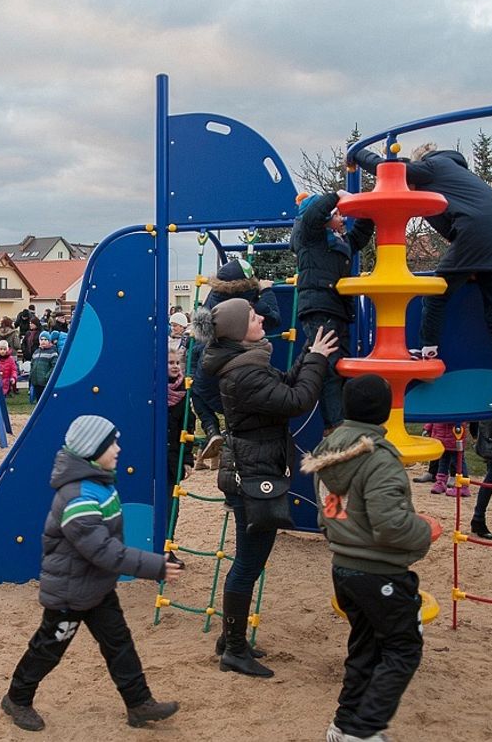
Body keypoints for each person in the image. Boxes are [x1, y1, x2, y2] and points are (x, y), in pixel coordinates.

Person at [0, 415, 182, 732]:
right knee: (49, 648)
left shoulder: (98, 483)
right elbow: (104, 551)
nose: (118, 448)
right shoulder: (78, 498)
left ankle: (139, 704)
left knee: (119, 644)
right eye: (111, 443)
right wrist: (156, 566)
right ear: (91, 451)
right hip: (69, 595)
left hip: (96, 588)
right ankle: (17, 698)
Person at [199, 297, 337, 677]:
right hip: (252, 472)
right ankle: (234, 650)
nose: (260, 317)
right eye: (252, 316)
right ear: (238, 331)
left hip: (253, 466)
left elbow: (285, 388)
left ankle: (231, 640)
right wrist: (318, 361)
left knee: (250, 560)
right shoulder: (244, 373)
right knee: (248, 562)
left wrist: (309, 354)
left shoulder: (249, 362)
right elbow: (297, 399)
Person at [300, 374, 442, 742]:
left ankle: (344, 723)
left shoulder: (328, 451)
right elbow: (390, 526)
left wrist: (345, 539)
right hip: (378, 571)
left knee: (365, 647)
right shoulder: (378, 459)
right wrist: (423, 531)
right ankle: (363, 731)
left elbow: (327, 510)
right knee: (403, 647)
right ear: (385, 413)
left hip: (344, 568)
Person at [354, 143, 492, 410]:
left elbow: (388, 169)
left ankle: (427, 355)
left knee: (435, 297)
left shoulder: (435, 166)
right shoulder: (458, 179)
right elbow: (451, 230)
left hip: (476, 235)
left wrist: (356, 153)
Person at [290, 191, 376, 434]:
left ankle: (346, 419)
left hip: (337, 309)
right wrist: (336, 196)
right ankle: (334, 424)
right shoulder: (311, 236)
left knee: (342, 367)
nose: (342, 218)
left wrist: (367, 208)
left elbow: (362, 233)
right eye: (337, 214)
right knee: (329, 365)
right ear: (325, 217)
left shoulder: (340, 241)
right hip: (318, 305)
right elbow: (314, 215)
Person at [190, 257, 282, 468]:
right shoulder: (248, 300)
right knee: (242, 412)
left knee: (196, 389)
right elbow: (274, 319)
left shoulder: (213, 297)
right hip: (235, 377)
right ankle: (228, 437)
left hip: (205, 368)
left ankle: (212, 429)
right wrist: (266, 291)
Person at [165, 348, 194, 565]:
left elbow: (188, 427)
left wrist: (187, 459)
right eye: (170, 362)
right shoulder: (152, 389)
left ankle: (167, 547)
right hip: (152, 458)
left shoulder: (184, 391)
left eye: (178, 362)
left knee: (170, 505)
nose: (175, 366)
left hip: (172, 458)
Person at [423, 421, 464, 496]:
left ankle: (463, 485)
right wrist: (427, 428)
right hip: (440, 435)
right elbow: (434, 414)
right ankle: (440, 482)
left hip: (454, 436)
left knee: (458, 461)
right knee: (443, 460)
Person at [28, 331, 59, 405]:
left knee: (46, 402)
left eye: (45, 340)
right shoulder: (36, 352)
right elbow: (32, 365)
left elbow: (54, 367)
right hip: (36, 382)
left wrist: (47, 377)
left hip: (45, 382)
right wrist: (31, 376)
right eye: (41, 340)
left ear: (49, 341)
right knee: (39, 401)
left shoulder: (52, 353)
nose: (43, 341)